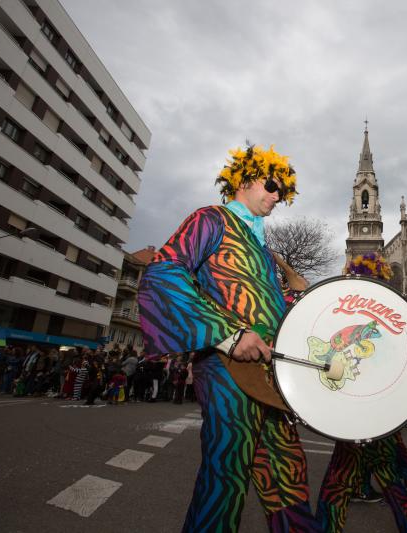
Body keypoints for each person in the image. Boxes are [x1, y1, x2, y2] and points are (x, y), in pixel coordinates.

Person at [138, 144, 321, 531]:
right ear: (246, 180)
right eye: (272, 186)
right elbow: (163, 271)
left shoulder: (266, 251)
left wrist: (303, 302)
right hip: (226, 369)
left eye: (283, 193)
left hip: (269, 376)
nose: (277, 197)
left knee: (288, 474)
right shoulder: (211, 218)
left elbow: (268, 308)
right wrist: (228, 334)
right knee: (227, 476)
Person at [316, 254, 407, 532]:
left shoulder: (348, 316)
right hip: (362, 406)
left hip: (363, 405)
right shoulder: (360, 321)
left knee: (362, 465)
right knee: (349, 469)